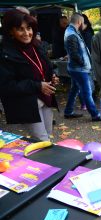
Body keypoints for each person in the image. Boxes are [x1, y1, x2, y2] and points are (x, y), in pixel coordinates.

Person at [0, 9, 59, 141]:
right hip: (28, 104)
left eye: (29, 28)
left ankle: (43, 160)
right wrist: (38, 86)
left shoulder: (36, 46)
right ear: (11, 31)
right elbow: (6, 86)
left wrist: (52, 76)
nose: (27, 33)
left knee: (47, 135)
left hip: (46, 98)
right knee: (42, 140)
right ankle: (45, 162)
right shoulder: (5, 53)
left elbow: (46, 67)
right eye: (20, 29)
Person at [63, 13, 101, 121]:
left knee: (74, 90)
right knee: (87, 91)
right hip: (79, 69)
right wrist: (83, 63)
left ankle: (68, 111)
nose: (84, 25)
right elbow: (74, 53)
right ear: (79, 22)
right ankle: (95, 115)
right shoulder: (71, 34)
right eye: (83, 23)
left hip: (76, 68)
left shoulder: (72, 32)